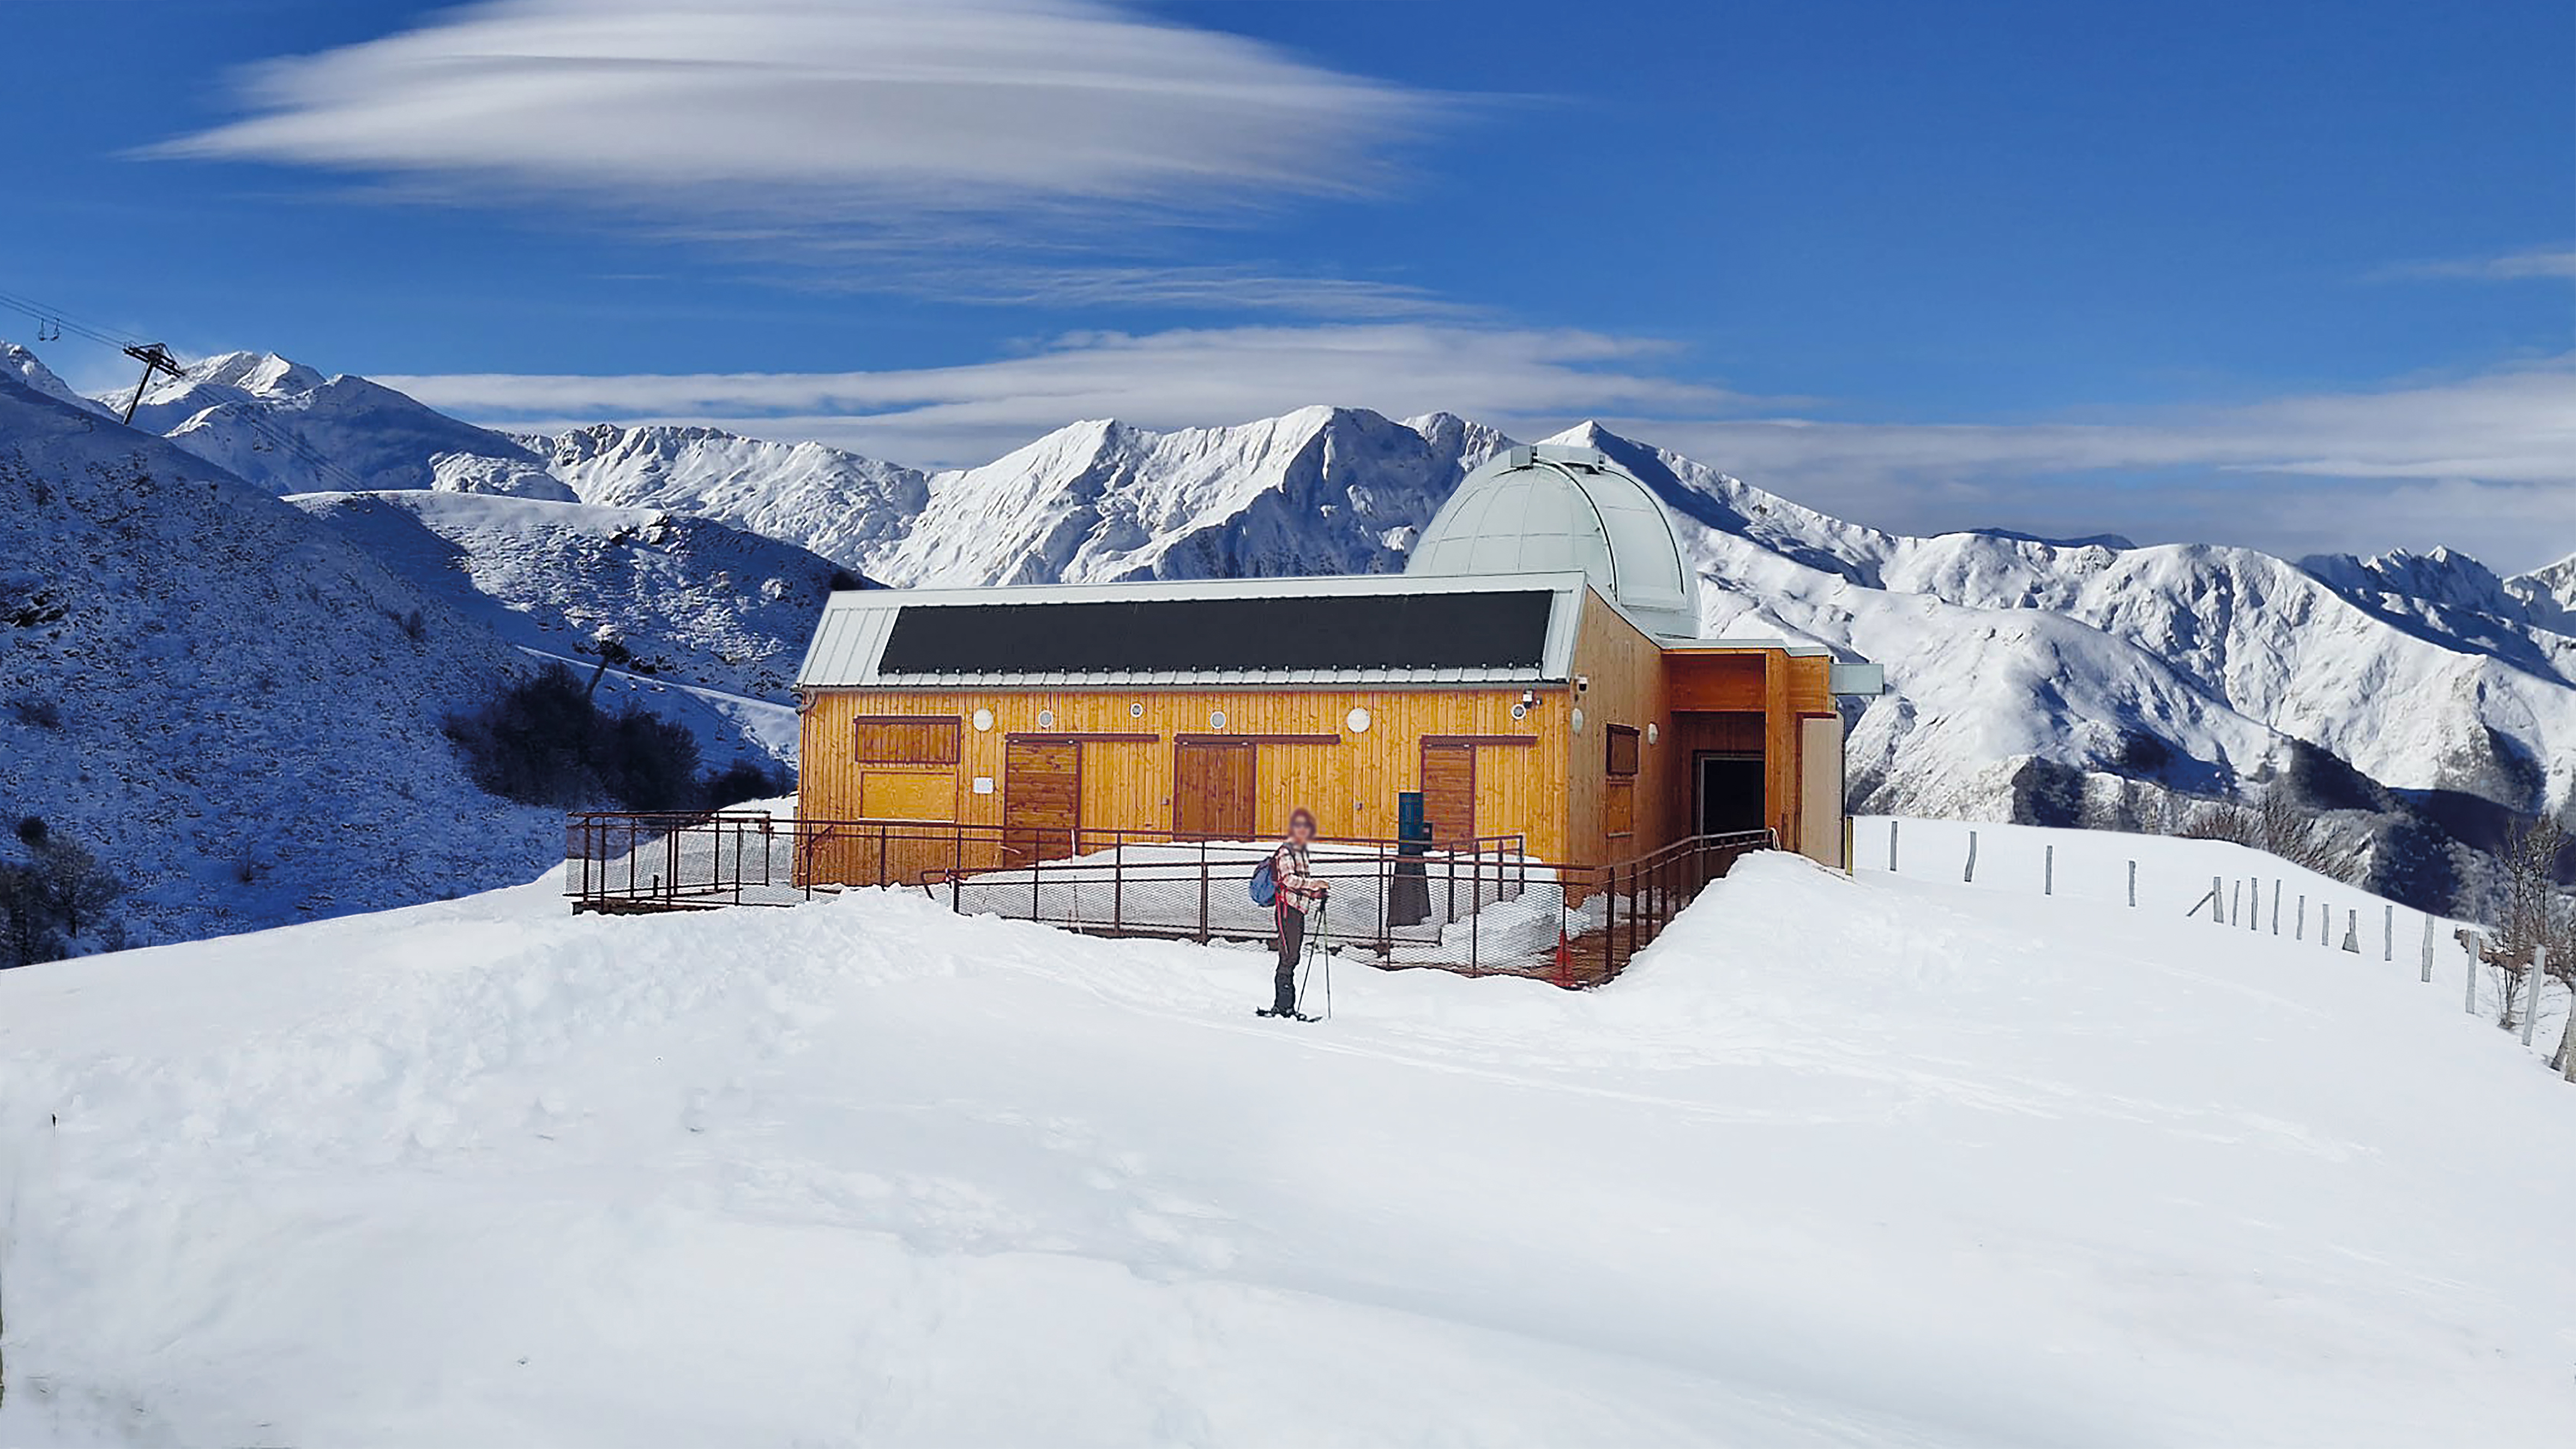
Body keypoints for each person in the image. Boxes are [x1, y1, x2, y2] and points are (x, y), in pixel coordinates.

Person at [1267, 807, 1329, 1016]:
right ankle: (1282, 1005)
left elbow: (1297, 885)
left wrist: (1314, 894)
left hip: (1298, 908)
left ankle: (1287, 1006)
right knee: (1289, 955)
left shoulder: (1300, 852)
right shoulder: (1286, 851)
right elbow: (1288, 880)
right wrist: (1313, 885)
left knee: (1293, 955)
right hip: (1287, 909)